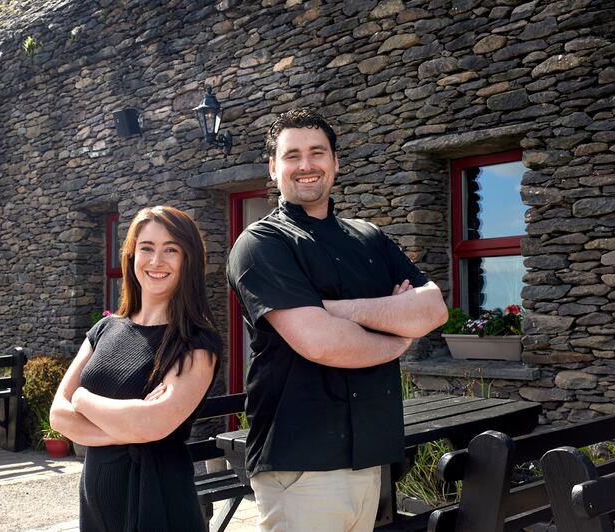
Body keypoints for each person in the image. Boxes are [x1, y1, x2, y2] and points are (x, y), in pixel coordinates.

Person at [227, 108, 448, 532]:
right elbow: (322, 344)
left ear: (335, 162)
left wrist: (338, 310)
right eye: (292, 155)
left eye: (318, 152)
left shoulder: (369, 236)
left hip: (368, 456)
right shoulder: (261, 243)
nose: (306, 165)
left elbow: (433, 309)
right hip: (300, 464)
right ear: (273, 168)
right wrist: (398, 333)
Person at [50, 205, 222, 531]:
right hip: (96, 506)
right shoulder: (105, 329)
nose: (156, 261)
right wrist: (129, 426)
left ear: (188, 260)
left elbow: (148, 425)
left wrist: (84, 400)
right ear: (131, 256)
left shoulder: (196, 342)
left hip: (158, 502)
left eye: (171, 249)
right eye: (147, 248)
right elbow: (58, 415)